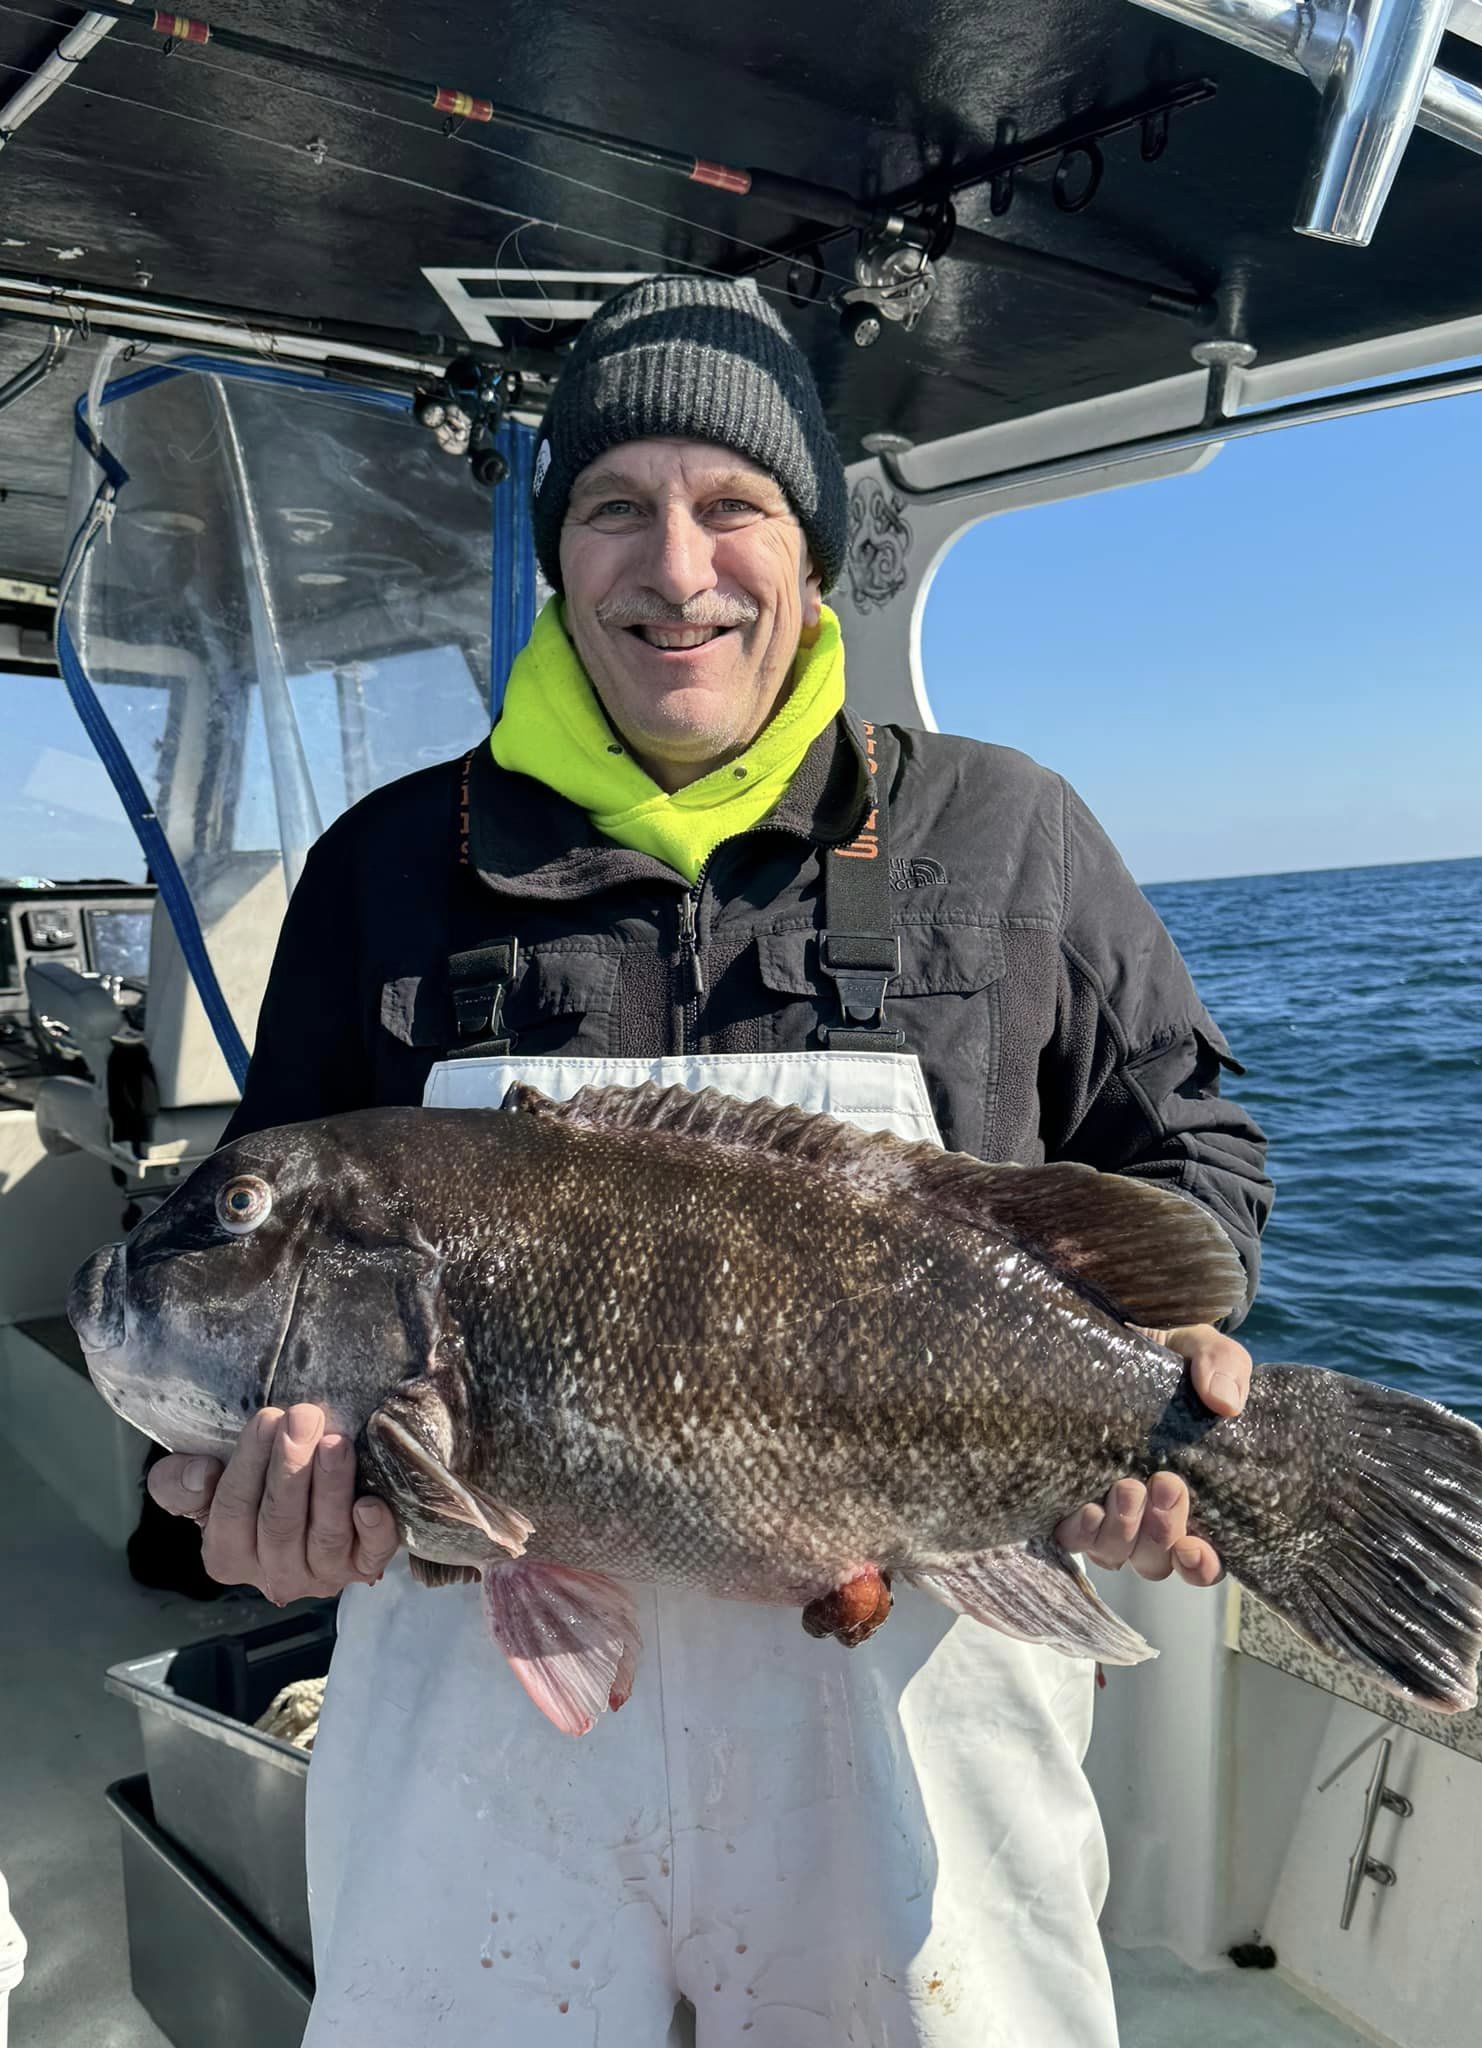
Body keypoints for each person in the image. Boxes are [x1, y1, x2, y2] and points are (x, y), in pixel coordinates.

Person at [149, 276, 1271, 2046]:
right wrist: (262, 1508)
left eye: (734, 504)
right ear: (557, 550)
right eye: (616, 507)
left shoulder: (1008, 830)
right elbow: (257, 1239)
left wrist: (1167, 1394)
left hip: (910, 1699)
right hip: (480, 1737)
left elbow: (1189, 1170)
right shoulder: (383, 863)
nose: (678, 570)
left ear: (813, 548)